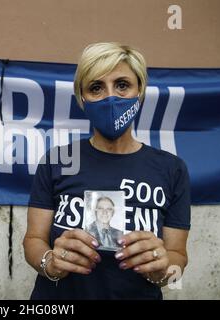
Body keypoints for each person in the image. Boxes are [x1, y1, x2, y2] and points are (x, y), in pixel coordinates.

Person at [23, 42, 191, 299]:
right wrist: (50, 263)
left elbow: (178, 256)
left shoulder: (171, 168)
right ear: (82, 98)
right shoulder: (58, 159)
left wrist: (162, 269)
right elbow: (33, 239)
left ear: (140, 92)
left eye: (122, 85)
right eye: (96, 87)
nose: (110, 97)